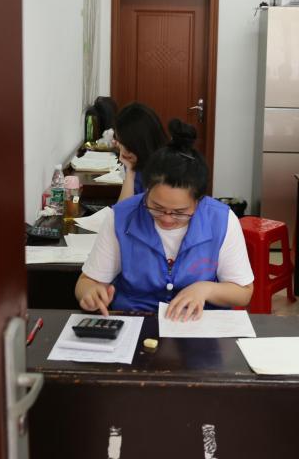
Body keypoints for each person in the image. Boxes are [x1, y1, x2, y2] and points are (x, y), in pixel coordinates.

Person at [75, 119, 254, 318]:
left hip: (199, 324)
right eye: (157, 208)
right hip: (135, 319)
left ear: (199, 201)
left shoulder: (221, 220)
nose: (167, 219)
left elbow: (243, 292)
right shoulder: (121, 217)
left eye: (180, 212)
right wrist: (90, 293)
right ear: (146, 190)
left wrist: (205, 289)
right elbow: (86, 282)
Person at [113, 102, 168, 203]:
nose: (120, 148)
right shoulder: (134, 163)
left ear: (139, 144)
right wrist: (130, 172)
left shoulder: (168, 169)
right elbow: (123, 209)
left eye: (123, 143)